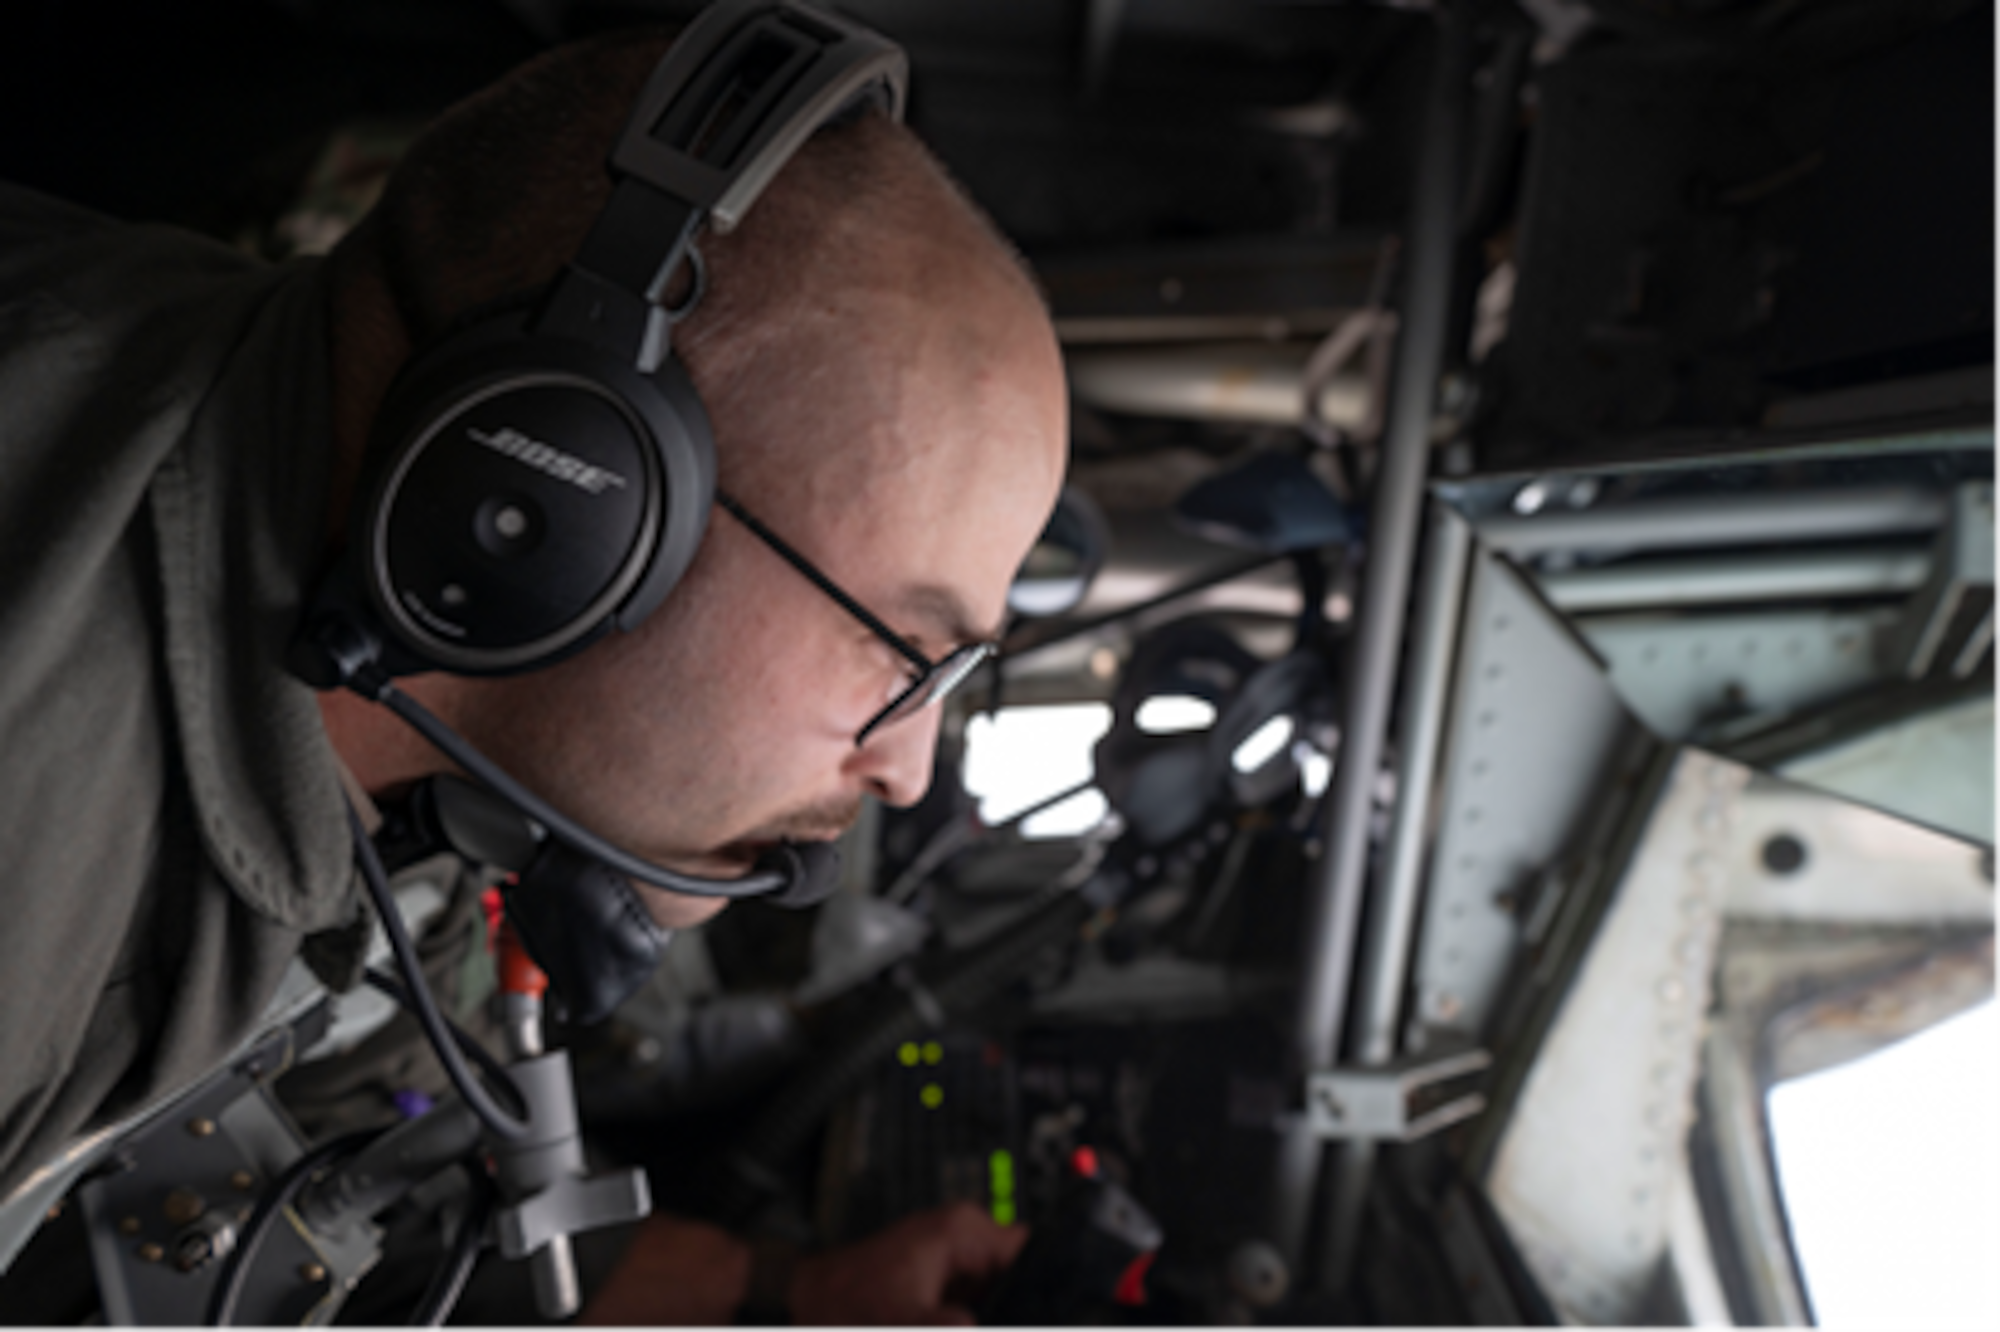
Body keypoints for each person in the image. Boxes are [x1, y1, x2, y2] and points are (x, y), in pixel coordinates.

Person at [0, 14, 1066, 1331]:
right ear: (557, 496)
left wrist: (797, 1292)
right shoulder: (32, 811)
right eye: (908, 650)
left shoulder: (413, 740)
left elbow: (368, 1162)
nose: (905, 768)